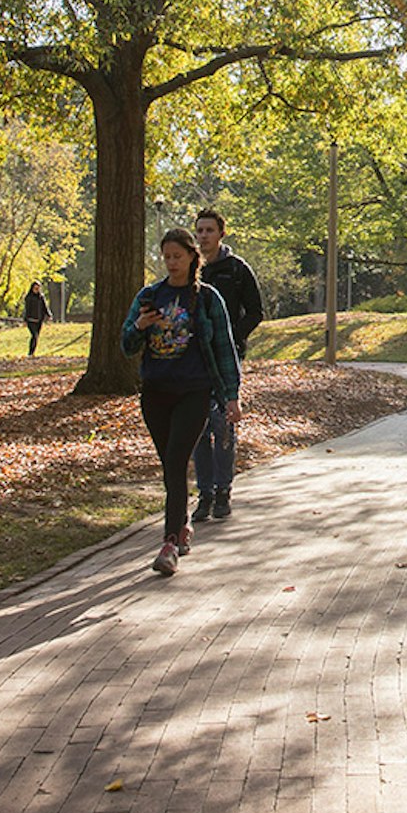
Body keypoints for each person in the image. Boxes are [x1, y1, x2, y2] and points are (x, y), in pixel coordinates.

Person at [121, 228, 241, 577]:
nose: (172, 263)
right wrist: (141, 326)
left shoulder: (207, 299)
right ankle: (183, 525)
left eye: (178, 256)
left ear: (192, 257)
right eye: (167, 257)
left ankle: (170, 542)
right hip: (157, 393)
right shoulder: (149, 295)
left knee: (176, 459)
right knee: (170, 466)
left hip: (194, 391)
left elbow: (224, 349)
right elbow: (126, 345)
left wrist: (232, 396)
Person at [192, 208, 266, 521]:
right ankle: (204, 493)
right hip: (194, 360)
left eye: (209, 230)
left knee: (223, 424)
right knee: (197, 429)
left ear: (221, 233)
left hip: (226, 358)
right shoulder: (190, 269)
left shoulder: (236, 269)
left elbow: (255, 311)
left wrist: (231, 337)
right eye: (199, 231)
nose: (203, 236)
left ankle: (224, 490)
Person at [22, 281, 50, 355]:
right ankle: (30, 352)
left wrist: (49, 315)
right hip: (30, 320)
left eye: (38, 288)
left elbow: (45, 307)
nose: (37, 290)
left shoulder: (41, 297)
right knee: (34, 335)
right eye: (35, 288)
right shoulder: (29, 297)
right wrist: (25, 320)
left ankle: (32, 352)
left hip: (39, 320)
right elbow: (26, 309)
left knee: (36, 336)